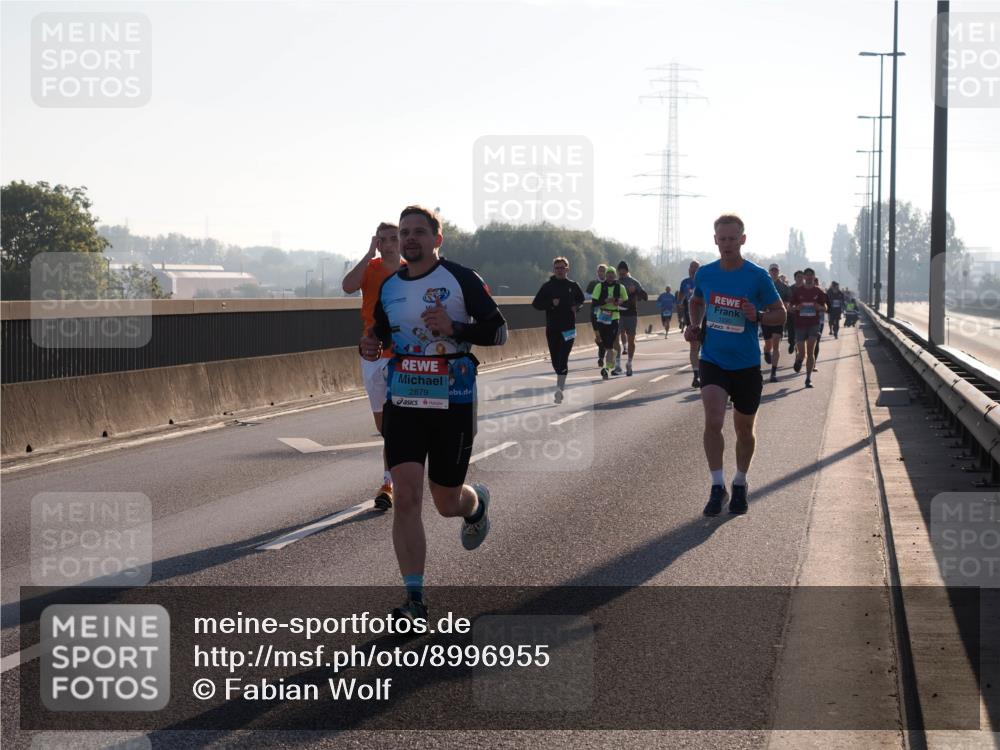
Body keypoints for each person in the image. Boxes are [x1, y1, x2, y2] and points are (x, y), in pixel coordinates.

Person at [360, 205, 508, 621]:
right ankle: (415, 600)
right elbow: (381, 336)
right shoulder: (390, 287)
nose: (409, 238)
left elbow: (499, 331)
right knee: (406, 496)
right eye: (404, 232)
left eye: (419, 232)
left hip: (452, 402)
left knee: (445, 502)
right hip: (404, 401)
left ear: (437, 239)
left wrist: (455, 328)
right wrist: (369, 346)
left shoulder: (461, 279)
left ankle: (474, 505)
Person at [685, 214, 785, 516]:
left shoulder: (756, 277)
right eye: (722, 238)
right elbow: (696, 301)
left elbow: (780, 314)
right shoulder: (705, 274)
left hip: (745, 364)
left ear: (742, 240)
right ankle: (717, 486)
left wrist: (757, 315)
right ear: (715, 240)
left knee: (744, 429)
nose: (727, 244)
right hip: (713, 359)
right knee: (713, 420)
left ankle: (740, 482)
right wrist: (695, 325)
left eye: (732, 238)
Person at [341, 222, 401, 510]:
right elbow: (347, 286)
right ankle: (397, 468)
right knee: (383, 425)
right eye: (383, 240)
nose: (388, 244)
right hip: (372, 354)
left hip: (402, 355)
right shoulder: (372, 267)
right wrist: (368, 253)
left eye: (393, 239)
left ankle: (388, 482)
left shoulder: (409, 270)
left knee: (395, 421)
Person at [532, 256, 585, 403]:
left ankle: (559, 389)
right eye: (557, 268)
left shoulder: (573, 285)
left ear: (567, 269)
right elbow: (536, 304)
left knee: (563, 358)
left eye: (562, 268)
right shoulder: (547, 286)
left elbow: (581, 300)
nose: (560, 270)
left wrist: (577, 307)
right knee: (556, 361)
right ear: (553, 269)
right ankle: (560, 383)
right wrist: (551, 303)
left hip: (568, 329)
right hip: (553, 328)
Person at [788, 267, 828, 389]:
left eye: (811, 275)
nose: (809, 277)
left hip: (813, 324)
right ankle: (799, 360)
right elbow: (790, 307)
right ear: (804, 277)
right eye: (807, 275)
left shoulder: (819, 291)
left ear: (814, 277)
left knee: (810, 351)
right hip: (800, 325)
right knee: (802, 353)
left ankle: (808, 379)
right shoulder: (798, 291)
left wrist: (819, 307)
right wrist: (796, 308)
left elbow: (825, 307)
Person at [591, 265, 628, 380]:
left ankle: (608, 368)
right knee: (604, 343)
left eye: (612, 275)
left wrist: (619, 302)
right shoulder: (599, 286)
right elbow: (594, 302)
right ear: (606, 276)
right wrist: (605, 301)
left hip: (614, 317)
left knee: (611, 343)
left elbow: (626, 302)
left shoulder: (620, 287)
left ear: (615, 276)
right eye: (608, 275)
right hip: (601, 316)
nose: (610, 277)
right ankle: (610, 363)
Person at [615, 261, 649, 376]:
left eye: (624, 274)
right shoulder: (615, 283)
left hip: (631, 314)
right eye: (620, 274)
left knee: (631, 340)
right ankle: (617, 364)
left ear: (627, 272)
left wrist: (635, 291)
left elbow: (645, 297)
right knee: (615, 338)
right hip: (618, 313)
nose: (622, 276)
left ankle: (629, 363)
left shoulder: (634, 282)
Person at [760, 263, 791, 383]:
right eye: (772, 270)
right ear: (769, 272)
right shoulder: (763, 285)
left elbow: (787, 302)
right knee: (769, 344)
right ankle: (767, 351)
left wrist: (784, 310)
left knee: (776, 344)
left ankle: (773, 372)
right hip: (766, 318)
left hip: (778, 319)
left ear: (778, 272)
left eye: (776, 270)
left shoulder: (784, 287)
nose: (774, 272)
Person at [679, 260, 701, 387]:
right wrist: (679, 304)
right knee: (693, 345)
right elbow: (681, 298)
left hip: (704, 317)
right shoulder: (685, 282)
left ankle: (704, 371)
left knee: (703, 346)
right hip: (690, 317)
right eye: (691, 267)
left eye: (695, 267)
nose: (692, 269)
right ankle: (696, 375)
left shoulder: (703, 281)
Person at [585, 264, 608, 368]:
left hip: (606, 313)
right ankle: (601, 348)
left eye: (603, 271)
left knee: (603, 336)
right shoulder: (593, 283)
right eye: (600, 271)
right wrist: (596, 296)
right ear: (597, 272)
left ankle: (601, 358)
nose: (601, 273)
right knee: (598, 338)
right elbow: (585, 295)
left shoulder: (610, 284)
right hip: (594, 313)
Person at [786, 270, 804, 354]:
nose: (800, 278)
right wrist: (792, 308)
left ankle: (798, 355)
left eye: (801, 277)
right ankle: (791, 343)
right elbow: (787, 302)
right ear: (794, 278)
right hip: (791, 315)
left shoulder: (807, 288)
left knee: (800, 337)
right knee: (791, 334)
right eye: (798, 277)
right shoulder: (790, 289)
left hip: (803, 316)